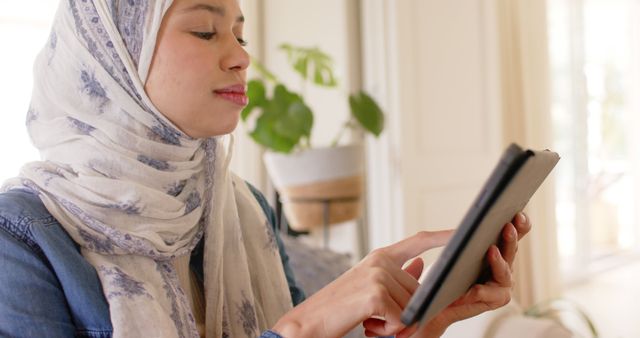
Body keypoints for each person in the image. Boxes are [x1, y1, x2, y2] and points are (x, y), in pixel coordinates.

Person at [0, 0, 531, 337]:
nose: (240, 57)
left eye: (240, 34)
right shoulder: (20, 238)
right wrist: (305, 324)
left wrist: (423, 325)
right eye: (206, 32)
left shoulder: (242, 207)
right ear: (113, 58)